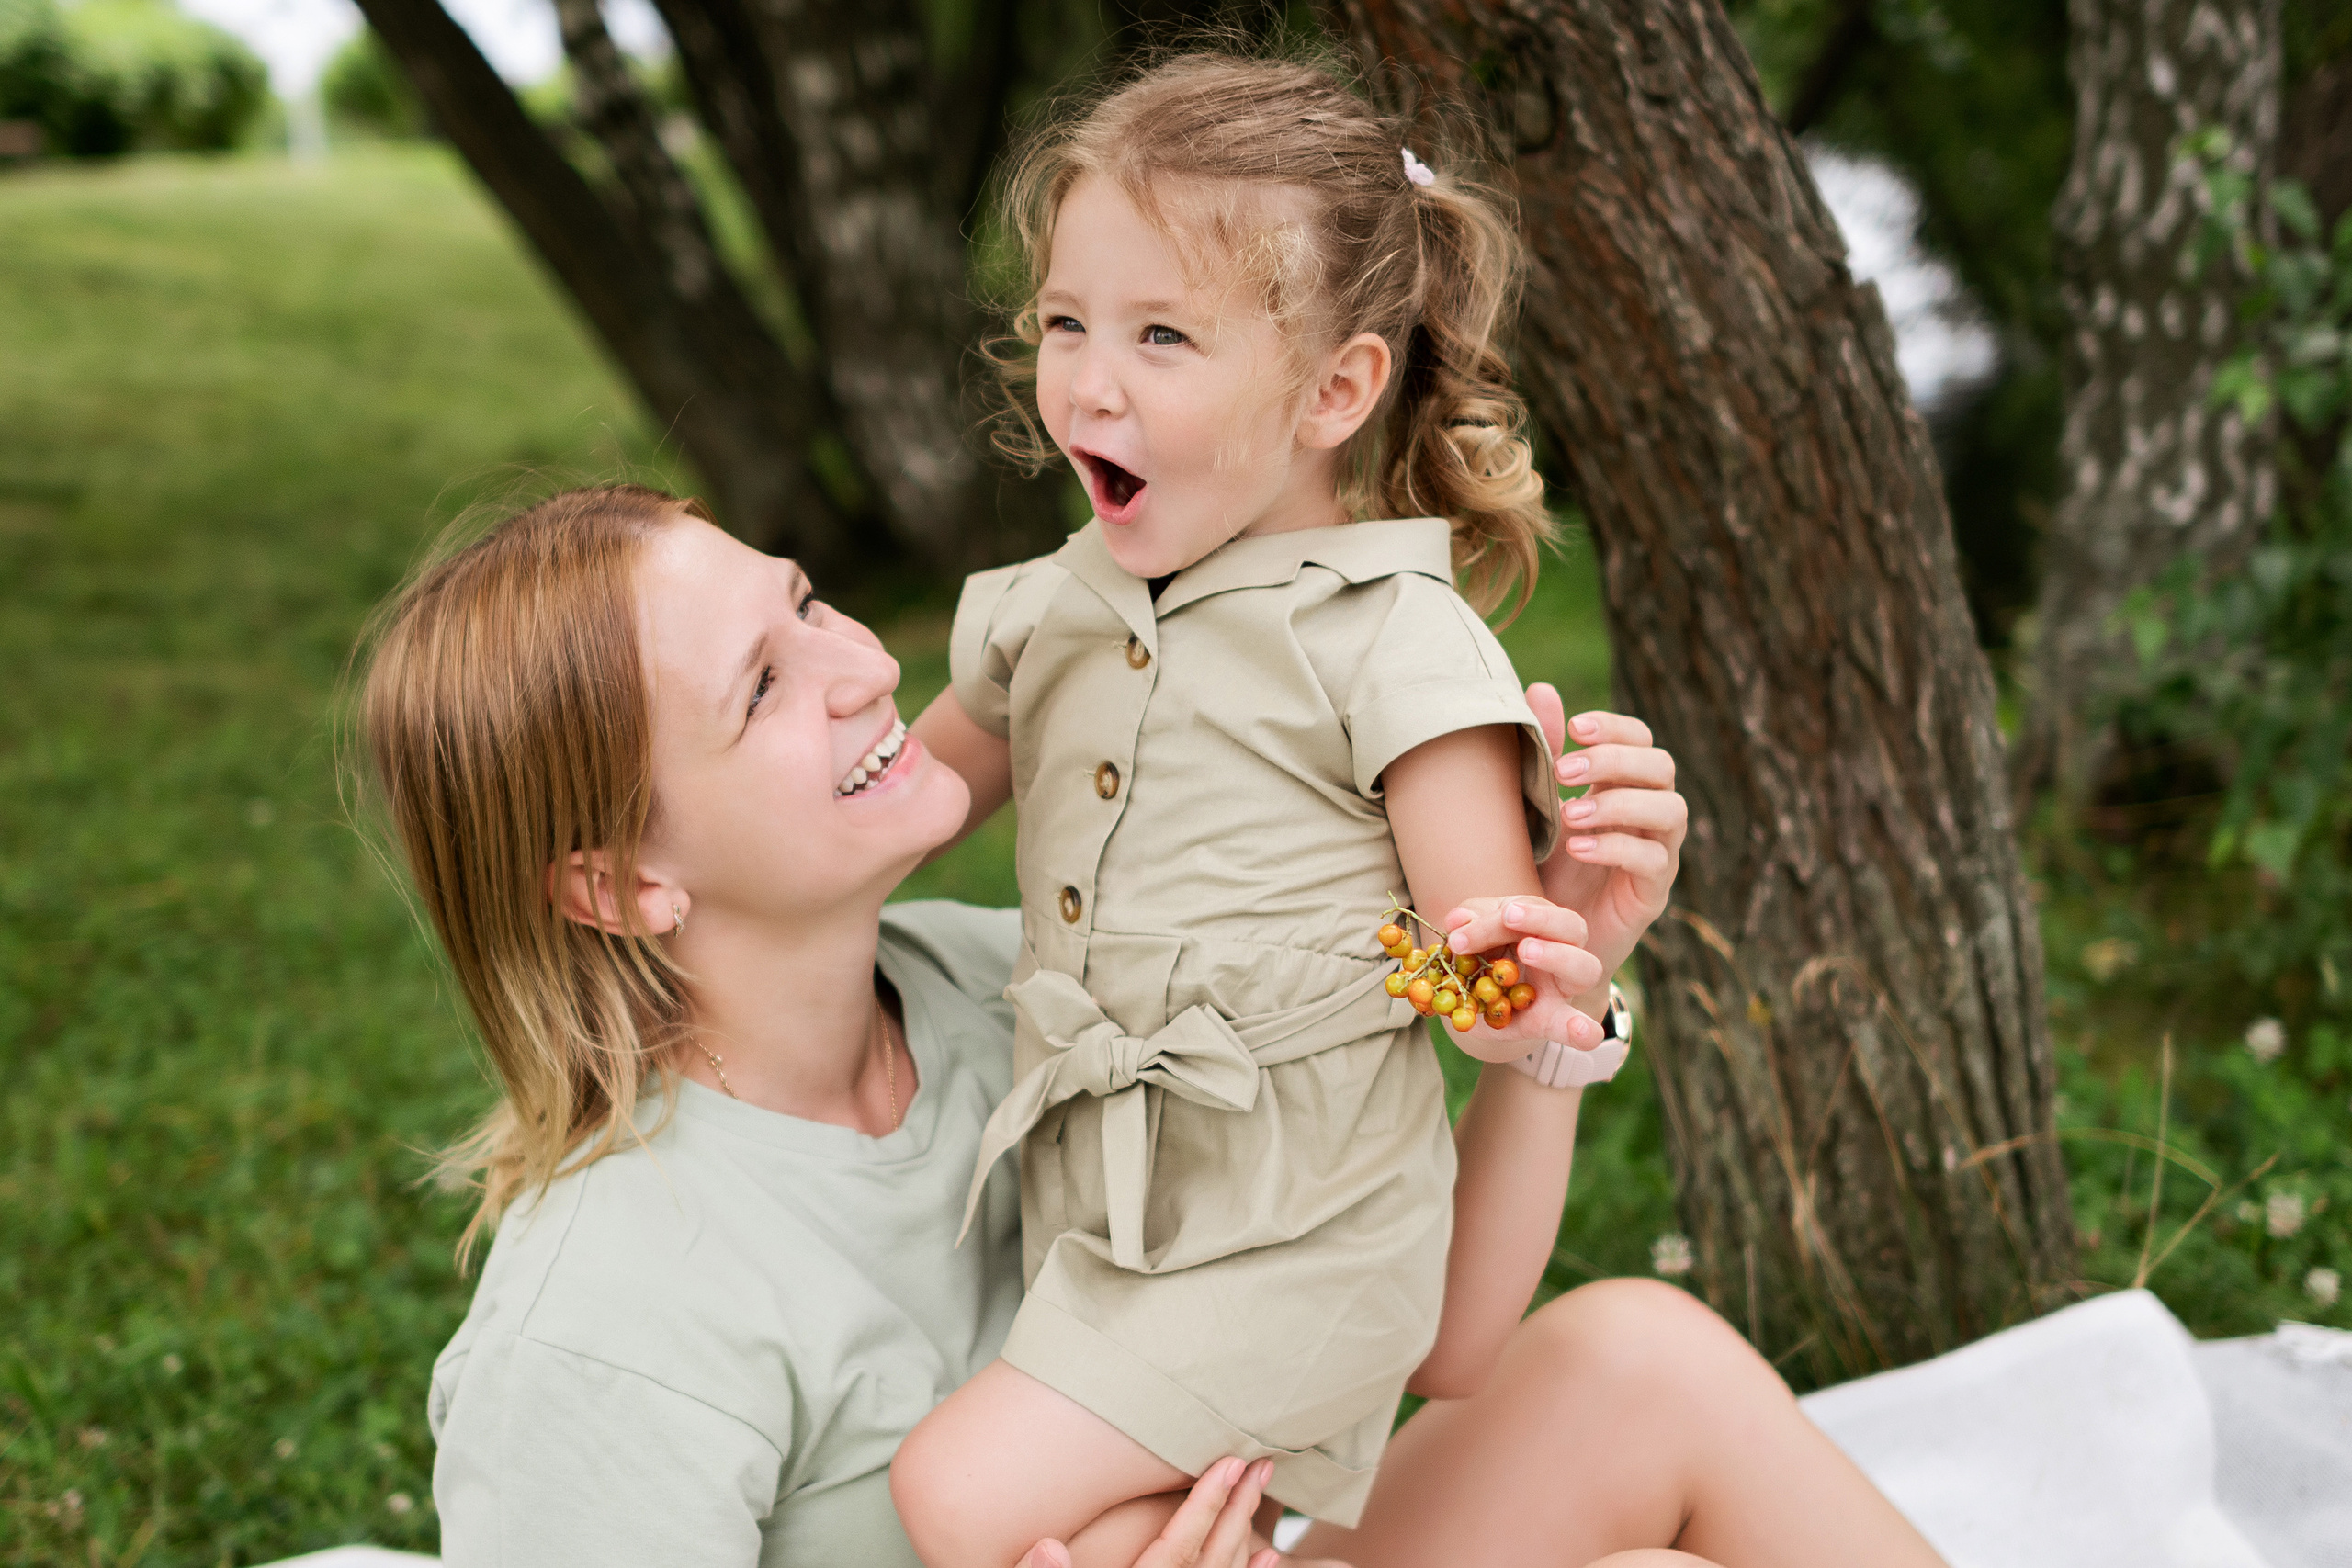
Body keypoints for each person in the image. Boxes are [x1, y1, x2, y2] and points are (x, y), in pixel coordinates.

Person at [365, 482, 1944, 1568]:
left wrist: (1539, 997)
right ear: (618, 881)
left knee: (1636, 1357)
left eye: (811, 605)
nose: (860, 666)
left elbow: (1422, 1324)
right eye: (763, 690)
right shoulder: (606, 1322)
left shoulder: (1030, 992)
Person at [888, 53, 1640, 1565]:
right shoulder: (1062, 602)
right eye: (1066, 323)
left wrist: (1522, 973)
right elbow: (901, 809)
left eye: (1163, 335)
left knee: (957, 1500)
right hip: (1119, 1230)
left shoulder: (1390, 642)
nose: (1090, 381)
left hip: (1300, 1237)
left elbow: (1480, 968)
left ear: (1335, 390)